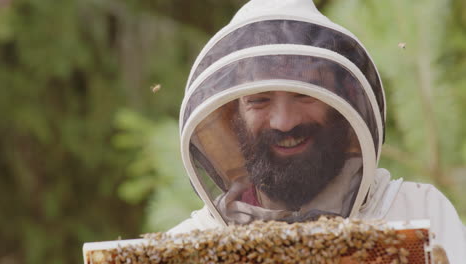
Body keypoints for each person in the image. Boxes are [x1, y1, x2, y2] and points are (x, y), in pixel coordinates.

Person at [170, 0, 466, 262]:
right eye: (259, 100)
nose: (284, 121)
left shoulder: (417, 210)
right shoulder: (187, 246)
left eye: (305, 93)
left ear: (341, 101)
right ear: (233, 116)